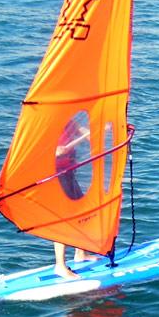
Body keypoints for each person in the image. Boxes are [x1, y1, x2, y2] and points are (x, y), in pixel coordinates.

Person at [53, 117, 96, 279]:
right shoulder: (48, 122)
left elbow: (83, 132)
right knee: (63, 218)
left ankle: (80, 253)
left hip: (69, 171)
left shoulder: (68, 120)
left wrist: (96, 132)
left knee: (82, 211)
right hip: (55, 175)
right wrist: (54, 150)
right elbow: (35, 149)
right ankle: (60, 266)